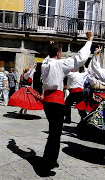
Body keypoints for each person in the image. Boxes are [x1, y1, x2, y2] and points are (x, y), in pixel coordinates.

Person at [40, 31, 93, 171]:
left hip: (47, 101)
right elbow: (80, 58)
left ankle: (51, 158)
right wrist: (89, 40)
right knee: (55, 134)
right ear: (58, 54)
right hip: (56, 101)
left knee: (53, 131)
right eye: (61, 52)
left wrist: (52, 46)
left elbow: (49, 57)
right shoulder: (60, 64)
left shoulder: (45, 63)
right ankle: (48, 162)